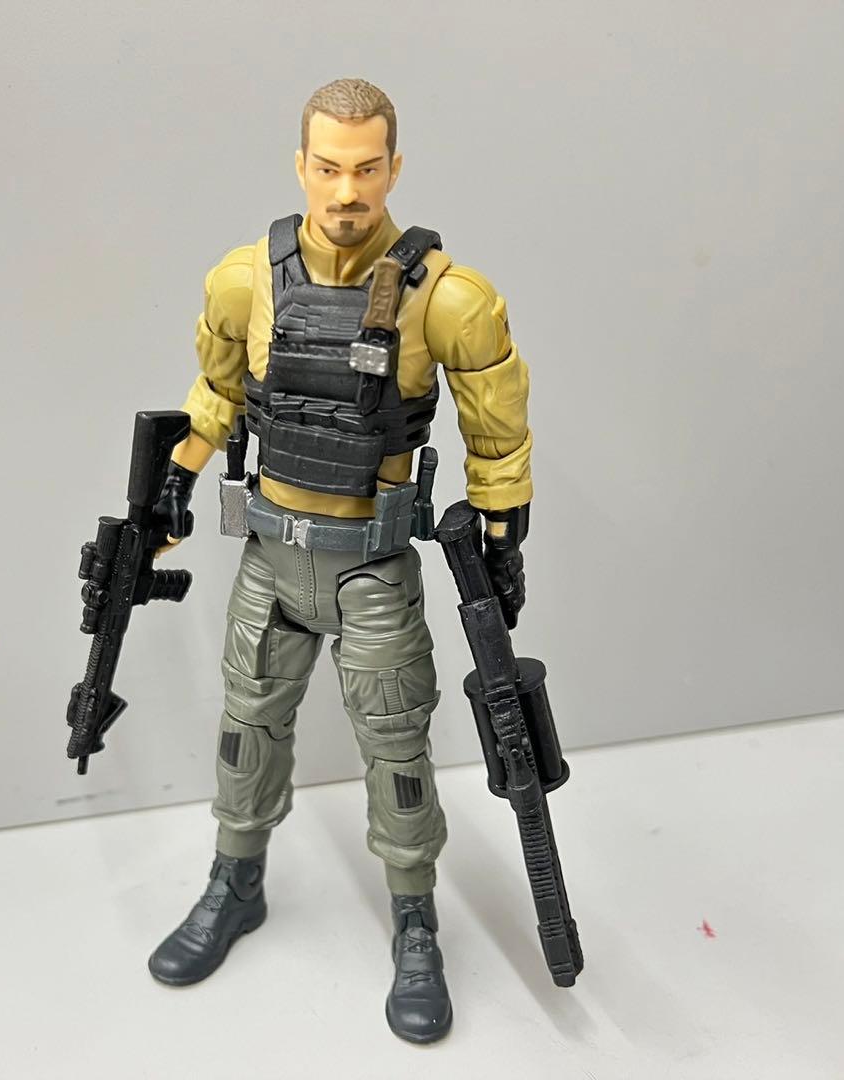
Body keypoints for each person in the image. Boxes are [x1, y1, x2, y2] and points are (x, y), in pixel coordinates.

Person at [146, 77, 532, 1044]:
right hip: (272, 557)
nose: (347, 191)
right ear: (300, 166)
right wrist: (171, 485)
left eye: (366, 169)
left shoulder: (448, 298)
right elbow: (213, 395)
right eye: (327, 167)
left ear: (395, 168)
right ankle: (234, 883)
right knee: (246, 729)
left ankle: (414, 920)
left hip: (371, 565)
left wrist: (502, 535)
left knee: (396, 749)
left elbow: (497, 433)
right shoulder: (245, 280)